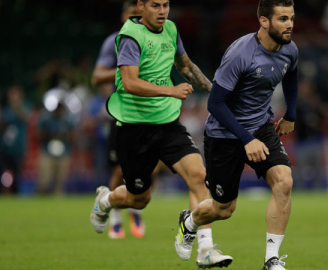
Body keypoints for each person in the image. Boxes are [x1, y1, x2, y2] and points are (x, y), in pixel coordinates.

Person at [89, 0, 233, 268]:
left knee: (199, 175)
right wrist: (171, 90)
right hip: (134, 129)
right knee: (139, 199)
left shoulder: (171, 30)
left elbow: (186, 66)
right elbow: (129, 83)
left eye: (166, 4)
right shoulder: (130, 36)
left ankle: (205, 249)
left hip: (168, 124)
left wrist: (215, 93)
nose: (163, 10)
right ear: (141, 7)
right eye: (155, 5)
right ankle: (106, 199)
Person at [174, 1, 298, 269]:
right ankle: (190, 222)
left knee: (284, 182)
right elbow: (215, 104)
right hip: (224, 134)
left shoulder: (290, 49)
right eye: (283, 19)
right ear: (264, 22)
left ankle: (271, 260)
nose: (289, 24)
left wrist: (291, 114)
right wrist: (246, 139)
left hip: (260, 127)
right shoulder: (241, 54)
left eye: (291, 18)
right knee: (223, 209)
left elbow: (291, 74)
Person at [91, 0, 146, 240]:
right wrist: (126, 70)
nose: (135, 18)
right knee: (119, 168)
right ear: (123, 15)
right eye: (131, 14)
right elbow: (96, 77)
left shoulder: (153, 37)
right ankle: (114, 215)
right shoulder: (115, 41)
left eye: (139, 14)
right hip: (123, 112)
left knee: (149, 166)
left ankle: (134, 208)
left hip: (150, 113)